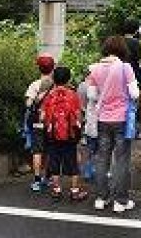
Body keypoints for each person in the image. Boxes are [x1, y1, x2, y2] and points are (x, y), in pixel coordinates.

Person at [87, 36, 139, 213]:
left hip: (103, 119)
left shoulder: (94, 69)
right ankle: (120, 201)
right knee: (121, 160)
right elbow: (134, 93)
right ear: (122, 49)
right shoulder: (125, 68)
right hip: (122, 119)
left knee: (102, 159)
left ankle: (101, 198)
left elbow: (92, 96)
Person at [42, 66, 88, 201]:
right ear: (68, 79)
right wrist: (79, 129)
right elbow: (78, 115)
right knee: (73, 162)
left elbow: (43, 115)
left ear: (54, 79)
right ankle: (74, 191)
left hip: (53, 135)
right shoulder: (72, 95)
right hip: (70, 135)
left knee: (54, 162)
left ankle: (56, 190)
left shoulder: (49, 95)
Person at [25, 53, 55, 192]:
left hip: (37, 122)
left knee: (37, 151)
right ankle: (48, 178)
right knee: (50, 150)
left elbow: (28, 103)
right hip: (52, 123)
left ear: (39, 69)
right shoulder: (56, 85)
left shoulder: (34, 85)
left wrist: (36, 99)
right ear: (52, 68)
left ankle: (37, 181)